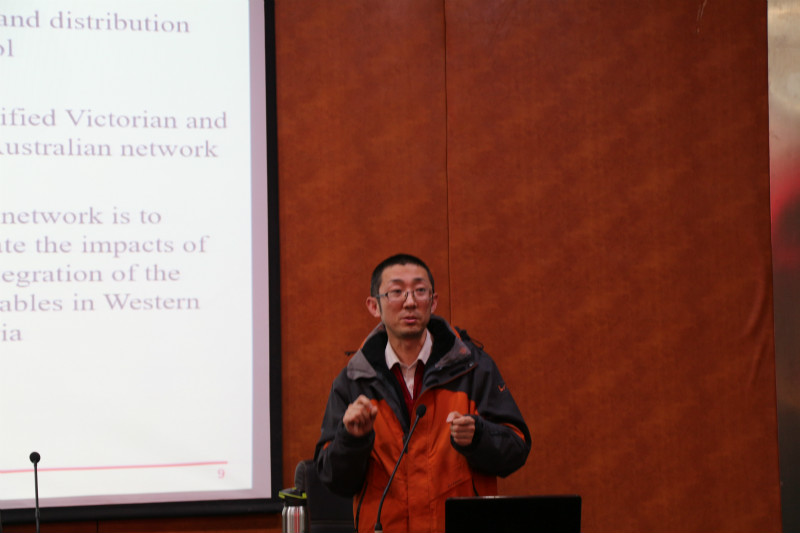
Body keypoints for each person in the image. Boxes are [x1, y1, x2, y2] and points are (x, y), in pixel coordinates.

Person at [314, 253, 531, 533]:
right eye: (396, 292)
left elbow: (517, 448)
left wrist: (478, 437)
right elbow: (334, 480)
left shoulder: (473, 369)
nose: (410, 302)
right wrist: (352, 440)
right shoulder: (354, 380)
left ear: (433, 301)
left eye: (420, 291)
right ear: (374, 306)